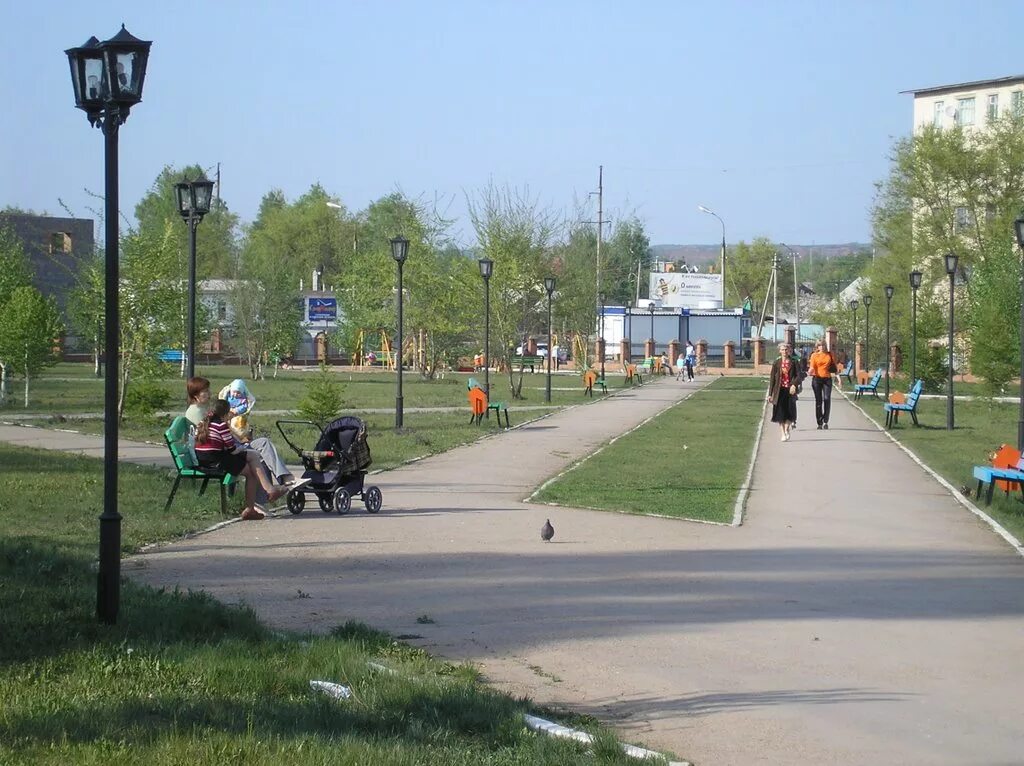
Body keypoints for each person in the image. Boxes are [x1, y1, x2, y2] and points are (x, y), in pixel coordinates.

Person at [194, 399, 307, 520]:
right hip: (218, 461)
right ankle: (269, 490)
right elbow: (231, 449)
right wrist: (242, 449)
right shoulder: (221, 425)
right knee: (253, 455)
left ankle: (252, 508)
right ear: (226, 414)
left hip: (205, 460)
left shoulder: (203, 423)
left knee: (251, 468)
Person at [187, 377, 294, 500]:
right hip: (222, 453)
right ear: (195, 395)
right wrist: (238, 442)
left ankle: (271, 491)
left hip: (227, 447)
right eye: (205, 391)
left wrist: (241, 438)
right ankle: (268, 494)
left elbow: (221, 431)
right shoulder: (196, 413)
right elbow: (209, 438)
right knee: (259, 452)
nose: (210, 393)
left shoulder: (204, 409)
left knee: (263, 445)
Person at [768, 342, 799, 442]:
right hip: (779, 390)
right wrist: (770, 394)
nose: (784, 351)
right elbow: (772, 378)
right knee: (780, 412)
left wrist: (794, 384)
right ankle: (782, 433)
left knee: (790, 411)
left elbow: (799, 375)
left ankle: (787, 429)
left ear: (789, 350)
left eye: (786, 349)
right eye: (782, 350)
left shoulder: (794, 362)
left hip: (790, 390)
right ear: (779, 351)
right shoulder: (777, 363)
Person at [807, 339, 837, 430]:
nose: (822, 347)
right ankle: (819, 422)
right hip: (817, 380)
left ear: (825, 345)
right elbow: (812, 367)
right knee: (819, 401)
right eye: (820, 345)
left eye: (823, 345)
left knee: (827, 399)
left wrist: (838, 378)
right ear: (817, 347)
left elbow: (834, 367)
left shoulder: (830, 355)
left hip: (827, 379)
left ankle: (826, 420)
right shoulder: (814, 355)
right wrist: (809, 372)